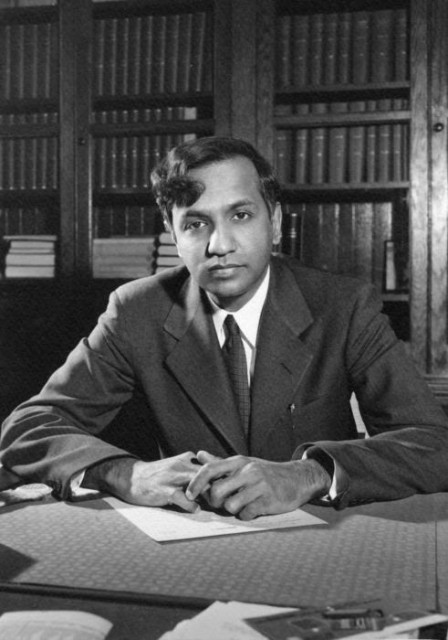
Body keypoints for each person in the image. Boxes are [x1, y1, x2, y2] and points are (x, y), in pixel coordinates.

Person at [1, 136, 448, 520]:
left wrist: (310, 473)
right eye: (196, 224)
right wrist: (123, 473)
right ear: (172, 234)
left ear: (274, 222)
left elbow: (434, 444)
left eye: (240, 215)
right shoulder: (137, 311)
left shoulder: (343, 306)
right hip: (192, 543)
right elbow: (27, 428)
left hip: (325, 543)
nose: (219, 246)